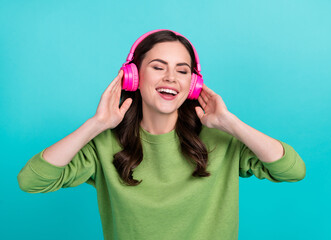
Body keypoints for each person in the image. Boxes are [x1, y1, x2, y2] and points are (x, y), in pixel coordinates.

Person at [17, 29, 306, 240]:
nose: (170, 78)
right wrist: (95, 124)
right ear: (133, 76)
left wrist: (232, 124)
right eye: (158, 67)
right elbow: (31, 181)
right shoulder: (104, 144)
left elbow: (292, 170)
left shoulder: (221, 139)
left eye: (182, 71)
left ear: (192, 84)